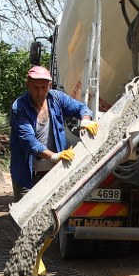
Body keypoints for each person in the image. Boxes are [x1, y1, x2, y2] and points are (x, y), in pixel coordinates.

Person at [8, 65, 96, 202]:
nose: (39, 92)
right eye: (35, 87)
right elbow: (29, 141)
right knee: (26, 211)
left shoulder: (56, 98)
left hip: (55, 173)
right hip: (27, 175)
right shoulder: (19, 107)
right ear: (28, 85)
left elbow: (80, 107)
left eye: (43, 87)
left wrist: (85, 120)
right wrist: (54, 156)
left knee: (55, 210)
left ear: (49, 85)